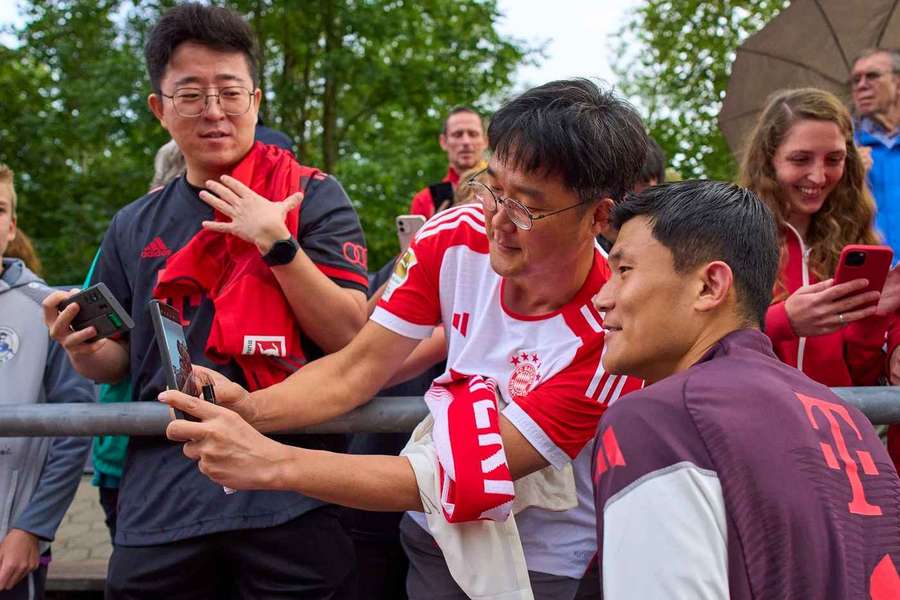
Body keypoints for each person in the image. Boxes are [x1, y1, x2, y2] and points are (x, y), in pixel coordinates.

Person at [160, 78, 649, 600]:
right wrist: (251, 410)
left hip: (538, 563)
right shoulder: (451, 236)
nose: (497, 222)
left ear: (600, 215)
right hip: (433, 539)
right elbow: (358, 367)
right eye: (492, 188)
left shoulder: (613, 332)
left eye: (527, 207)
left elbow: (458, 477)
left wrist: (273, 462)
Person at [42, 4, 369, 598]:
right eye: (190, 94)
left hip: (291, 488)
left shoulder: (312, 196)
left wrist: (277, 242)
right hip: (163, 499)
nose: (214, 111)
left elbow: (352, 336)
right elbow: (119, 362)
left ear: (257, 100)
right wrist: (80, 347)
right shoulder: (133, 223)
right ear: (159, 108)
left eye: (230, 92)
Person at [592, 180, 900, 598]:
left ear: (709, 286)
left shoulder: (655, 420)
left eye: (624, 270)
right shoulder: (851, 422)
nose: (602, 298)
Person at [739, 87, 900, 470]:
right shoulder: (731, 234)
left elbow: (860, 371)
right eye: (800, 159)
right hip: (755, 440)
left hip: (838, 444)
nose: (818, 175)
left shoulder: (856, 239)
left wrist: (878, 323)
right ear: (769, 159)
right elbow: (698, 338)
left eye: (834, 159)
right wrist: (784, 322)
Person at [0, 164, 94, 600]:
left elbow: (74, 428)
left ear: (11, 226)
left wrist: (33, 526)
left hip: (9, 538)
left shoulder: (49, 308)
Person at [850, 48, 900, 252]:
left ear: (898, 83)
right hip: (871, 274)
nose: (861, 85)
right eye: (855, 80)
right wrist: (849, 176)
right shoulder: (842, 146)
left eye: (872, 76)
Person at [408, 106, 488, 219]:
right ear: (443, 142)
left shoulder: (506, 189)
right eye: (457, 134)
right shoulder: (425, 200)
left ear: (485, 141)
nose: (466, 141)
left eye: (473, 134)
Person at [597, 136, 666, 252]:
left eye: (643, 187)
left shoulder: (673, 239)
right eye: (624, 190)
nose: (629, 203)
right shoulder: (585, 245)